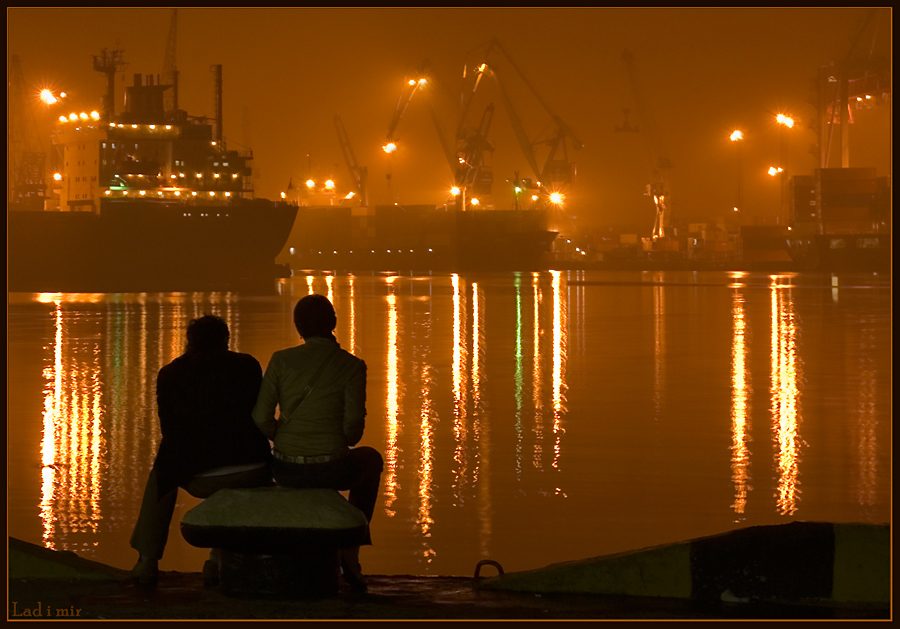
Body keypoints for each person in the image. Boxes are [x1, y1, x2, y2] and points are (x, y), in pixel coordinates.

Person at [253, 293, 383, 591]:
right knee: (372, 459)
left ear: (298, 327)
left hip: (285, 468)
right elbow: (352, 434)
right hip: (332, 469)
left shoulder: (281, 360)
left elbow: (260, 418)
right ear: (334, 323)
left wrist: (282, 436)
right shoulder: (352, 366)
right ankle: (351, 548)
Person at [130, 315, 272, 585]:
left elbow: (169, 431)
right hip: (254, 470)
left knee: (164, 468)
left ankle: (147, 560)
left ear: (189, 342)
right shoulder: (248, 366)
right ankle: (217, 558)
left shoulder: (170, 374)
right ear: (226, 341)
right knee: (222, 462)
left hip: (202, 476)